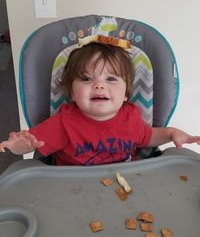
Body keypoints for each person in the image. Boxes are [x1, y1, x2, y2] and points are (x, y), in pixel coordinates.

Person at [0, 36, 200, 166]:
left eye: (111, 79)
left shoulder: (131, 117)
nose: (99, 85)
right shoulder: (64, 122)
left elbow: (147, 137)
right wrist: (20, 146)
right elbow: (34, 143)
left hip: (126, 184)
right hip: (74, 188)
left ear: (125, 94)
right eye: (86, 79)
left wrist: (171, 133)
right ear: (72, 93)